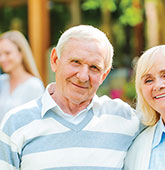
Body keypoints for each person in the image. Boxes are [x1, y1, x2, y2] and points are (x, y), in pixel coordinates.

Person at [0, 25, 140, 169]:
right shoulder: (16, 123)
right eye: (75, 62)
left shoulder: (124, 118)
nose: (83, 76)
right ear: (55, 60)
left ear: (104, 75)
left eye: (94, 68)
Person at [0, 30, 44, 123]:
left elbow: (37, 123)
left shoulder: (34, 86)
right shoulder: (2, 81)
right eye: (0, 54)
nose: (2, 59)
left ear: (21, 53)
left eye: (7, 53)